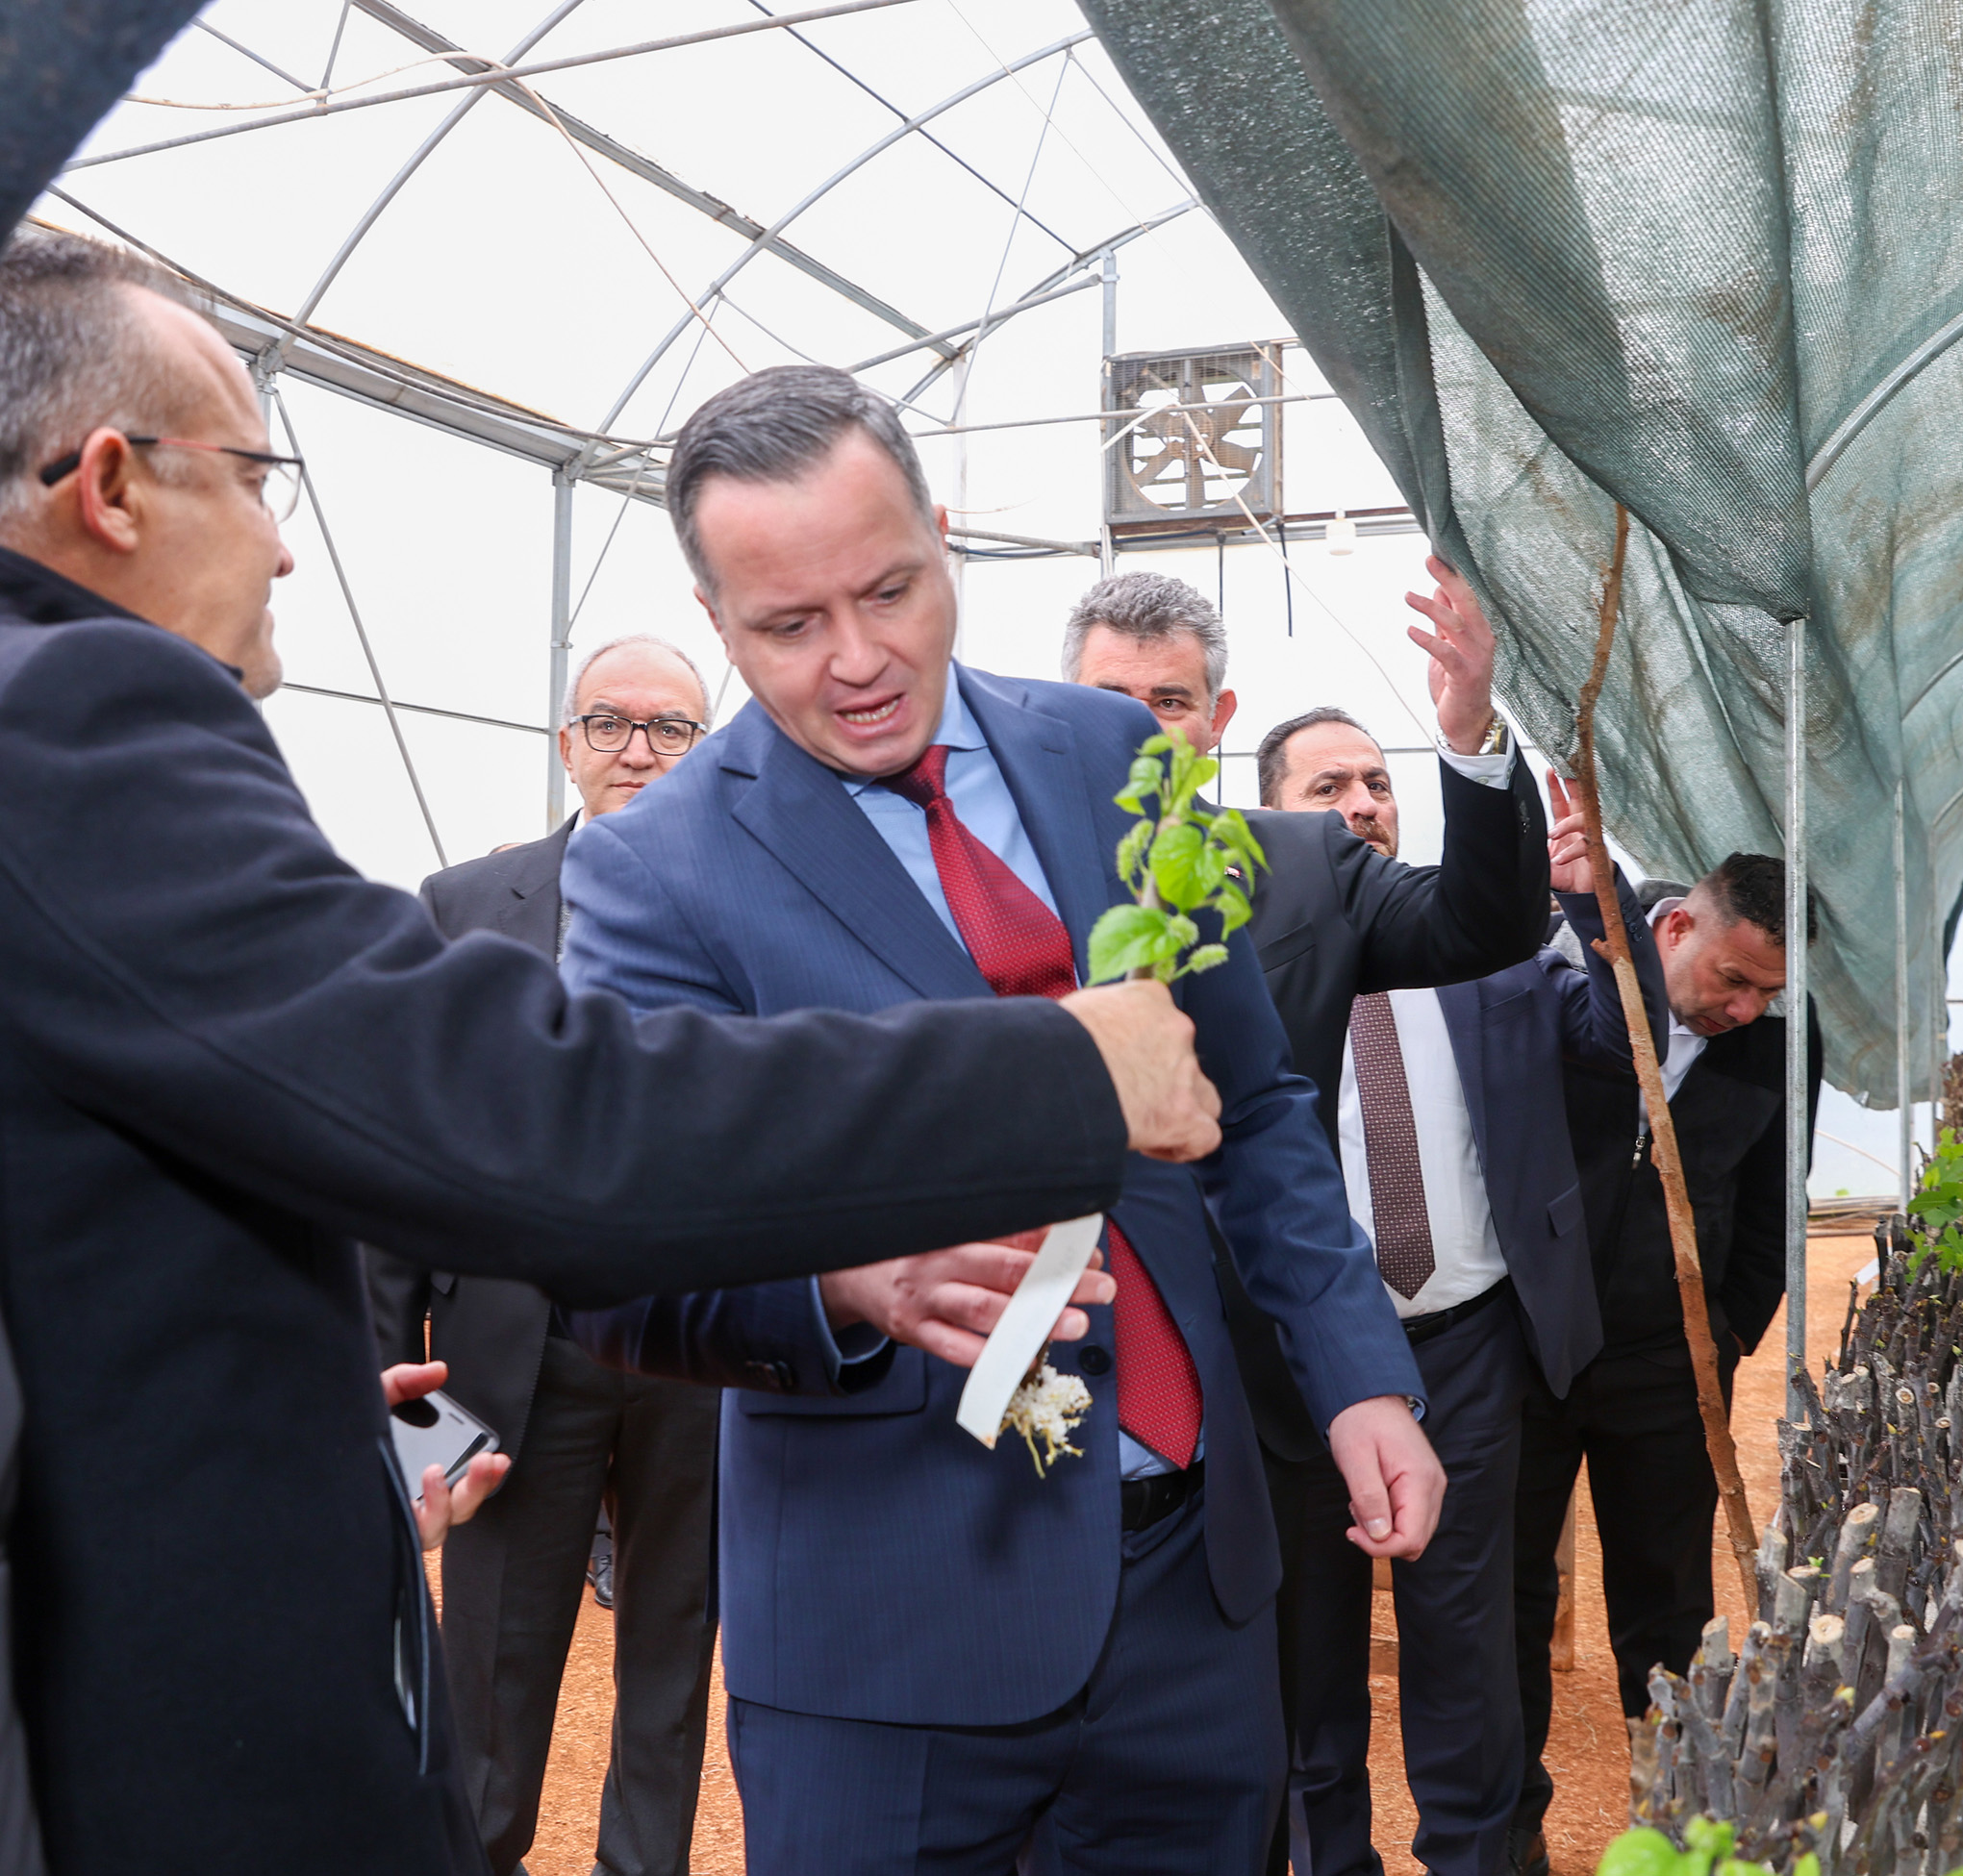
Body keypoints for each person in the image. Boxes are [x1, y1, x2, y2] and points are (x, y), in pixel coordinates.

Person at [0, 227, 1218, 1876]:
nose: (285, 544)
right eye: (254, 475)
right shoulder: (70, 717)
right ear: (111, 488)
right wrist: (1064, 1069)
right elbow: (536, 1115)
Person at [560, 363, 1443, 1875]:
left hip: (1191, 1598)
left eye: (890, 590)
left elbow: (1252, 1102)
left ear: (944, 536)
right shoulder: (656, 871)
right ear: (718, 619)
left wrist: (1357, 1370)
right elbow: (615, 1252)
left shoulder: (1113, 758)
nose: (858, 659)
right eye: (790, 624)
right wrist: (845, 1284)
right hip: (887, 1639)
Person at [1061, 570, 1549, 1875]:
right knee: (1278, 1702)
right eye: (1109, 698)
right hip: (1136, 1384)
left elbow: (1485, 920)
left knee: (1437, 1664)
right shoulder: (1003, 876)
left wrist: (1467, 734)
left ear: (1215, 717)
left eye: (1169, 700)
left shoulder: (1297, 866)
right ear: (1060, 704)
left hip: (1342, 1350)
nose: (1138, 727)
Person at [1264, 758, 1670, 1876]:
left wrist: (1596, 907)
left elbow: (1621, 1042)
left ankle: (1478, 1857)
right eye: (1325, 788)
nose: (1361, 803)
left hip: (1465, 1351)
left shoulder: (1490, 944)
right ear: (1271, 823)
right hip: (1301, 1367)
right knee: (1306, 1656)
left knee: (1468, 1648)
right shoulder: (1239, 968)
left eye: (1375, 780)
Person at [367, 634, 724, 1876]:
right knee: (491, 1677)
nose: (639, 749)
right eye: (610, 721)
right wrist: (391, 1386)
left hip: (707, 1352)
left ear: (706, 750)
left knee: (673, 1661)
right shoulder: (463, 905)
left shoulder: (756, 904)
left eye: (670, 727)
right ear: (566, 743)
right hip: (514, 1353)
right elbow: (403, 1152)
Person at [1505, 839, 1823, 1876]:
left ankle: (1675, 1831)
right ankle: (1507, 1834)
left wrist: (1723, 1340)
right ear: (1675, 927)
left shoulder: (1781, 1040)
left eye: (1766, 993)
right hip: (1525, 1351)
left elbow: (1773, 1206)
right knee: (1507, 1597)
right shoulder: (1560, 963)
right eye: (1732, 980)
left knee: (1668, 1608)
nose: (1744, 1009)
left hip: (1670, 1365)